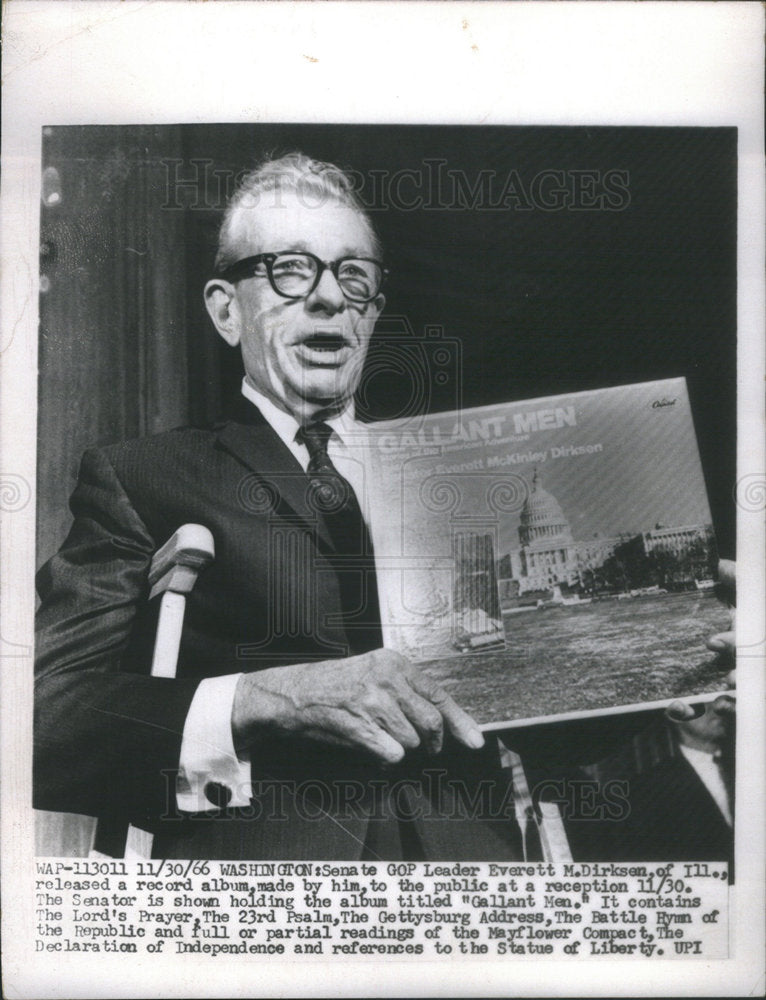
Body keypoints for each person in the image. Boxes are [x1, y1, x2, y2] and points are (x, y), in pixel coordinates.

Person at [34, 153, 514, 861]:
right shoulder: (144, 478)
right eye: (291, 269)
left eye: (355, 276)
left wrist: (690, 672)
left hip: (472, 884)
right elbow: (37, 721)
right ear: (227, 310)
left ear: (373, 314)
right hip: (266, 895)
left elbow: (535, 715)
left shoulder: (455, 479)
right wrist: (268, 699)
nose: (329, 299)